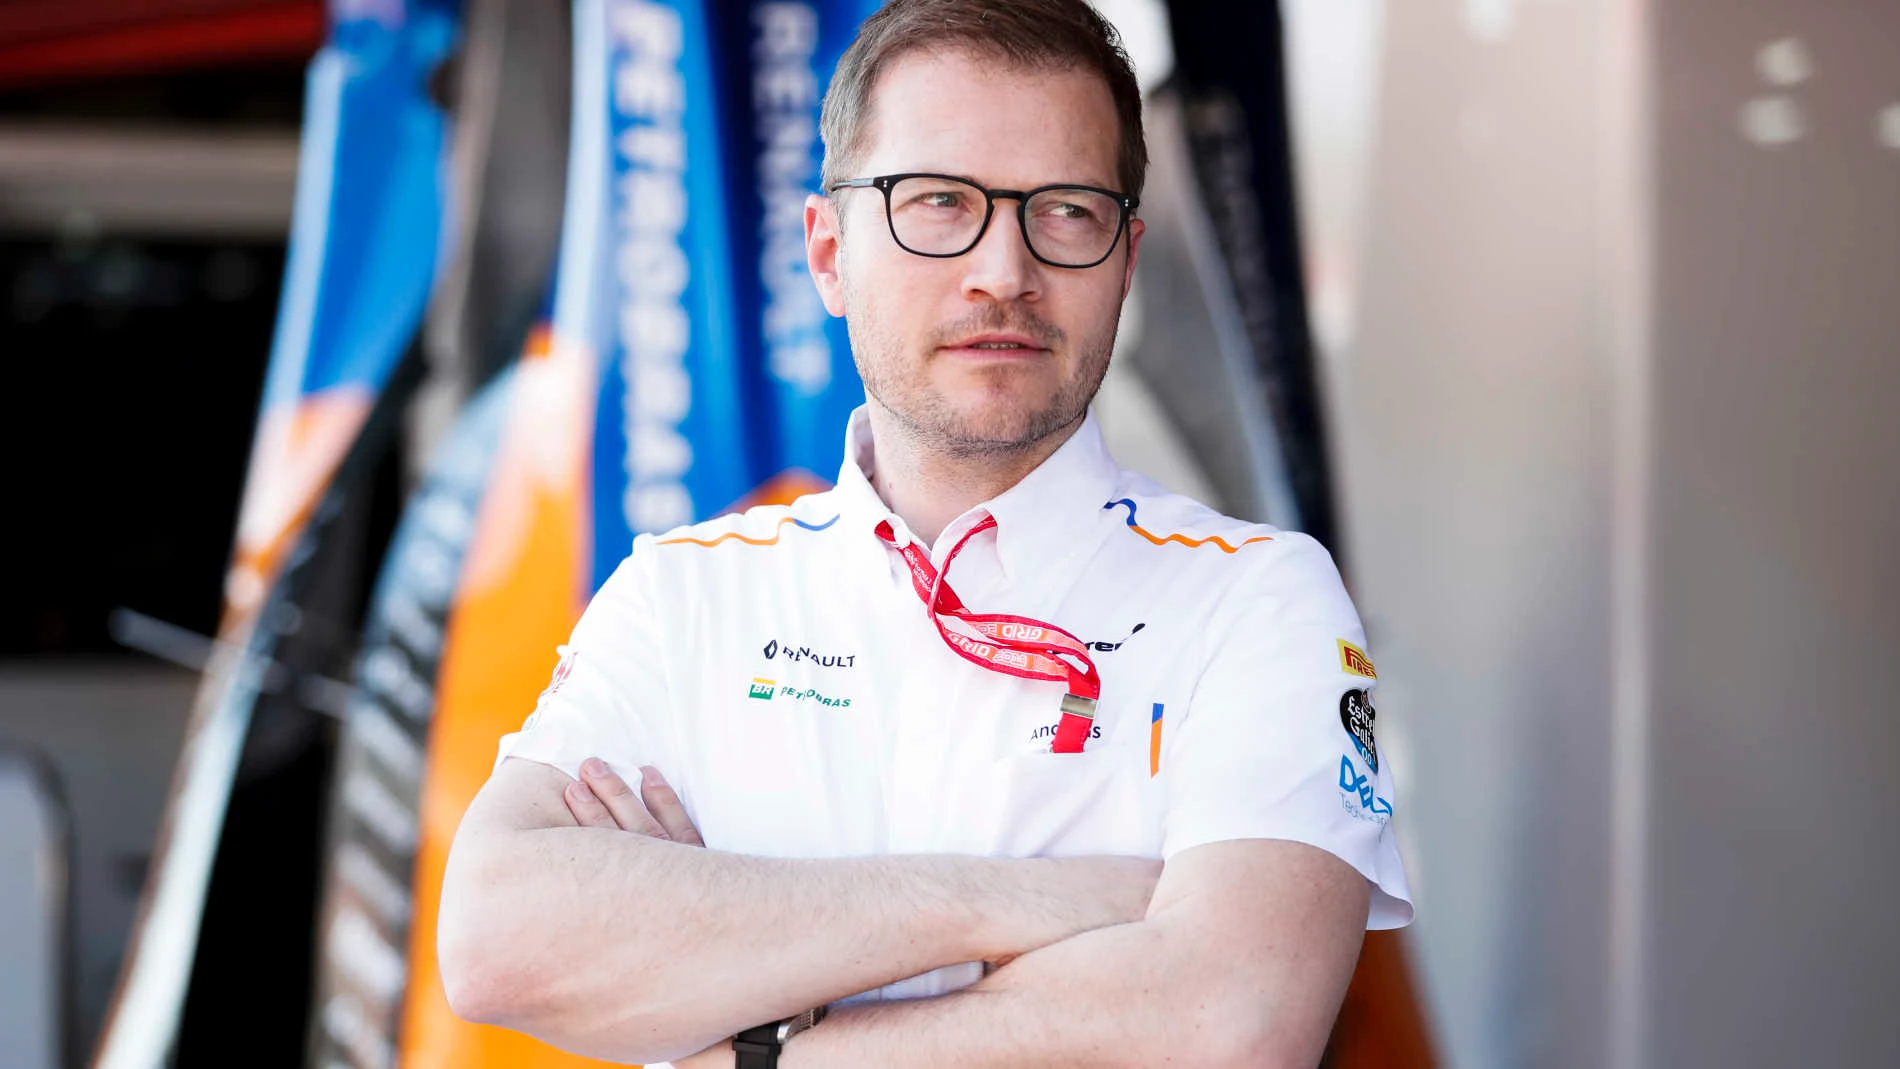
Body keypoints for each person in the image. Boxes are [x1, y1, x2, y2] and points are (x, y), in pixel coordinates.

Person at [436, 1, 1411, 1065]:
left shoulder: (1257, 602)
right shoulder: (681, 598)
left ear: (1126, 259)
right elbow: (494, 937)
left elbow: (1226, 1024)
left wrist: (752, 1035)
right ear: (827, 252)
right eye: (937, 203)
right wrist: (1013, 903)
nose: (1003, 268)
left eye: (1067, 211)